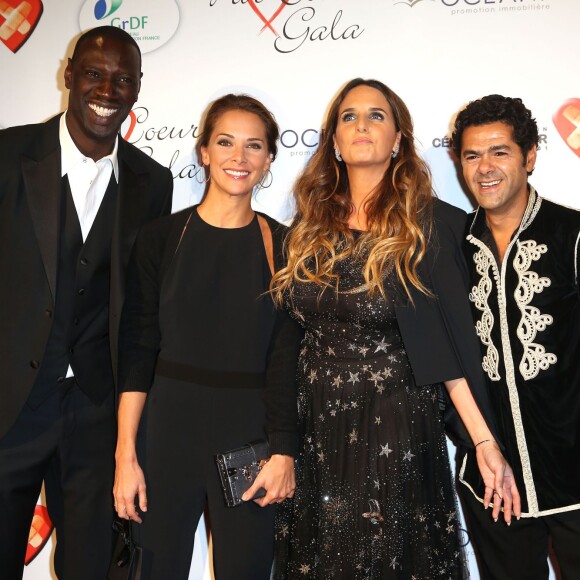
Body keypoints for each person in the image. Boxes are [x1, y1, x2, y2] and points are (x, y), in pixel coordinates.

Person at [269, 78, 519, 579]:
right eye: (349, 116)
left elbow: (450, 347)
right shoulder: (305, 227)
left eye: (377, 115)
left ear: (399, 139)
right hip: (318, 430)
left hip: (395, 427)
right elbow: (286, 340)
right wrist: (282, 442)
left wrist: (484, 442)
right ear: (334, 142)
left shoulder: (431, 224)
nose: (362, 124)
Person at [0, 26, 173, 579]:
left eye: (123, 79)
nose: (107, 89)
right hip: (9, 408)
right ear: (69, 75)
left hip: (98, 414)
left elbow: (143, 307)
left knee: (94, 567)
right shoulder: (7, 155)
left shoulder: (153, 182)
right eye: (95, 74)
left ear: (138, 88)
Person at [113, 93, 301, 579]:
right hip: (168, 431)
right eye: (225, 143)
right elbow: (138, 351)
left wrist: (284, 450)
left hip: (249, 440)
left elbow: (286, 362)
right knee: (155, 568)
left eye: (253, 146)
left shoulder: (286, 248)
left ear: (268, 160)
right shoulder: (160, 238)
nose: (239, 158)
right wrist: (126, 454)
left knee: (246, 569)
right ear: (204, 152)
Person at [451, 94, 580, 579]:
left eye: (499, 152)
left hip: (574, 474)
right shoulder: (452, 248)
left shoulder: (572, 234)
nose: (485, 167)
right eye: (471, 155)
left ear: (529, 156)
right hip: (492, 481)